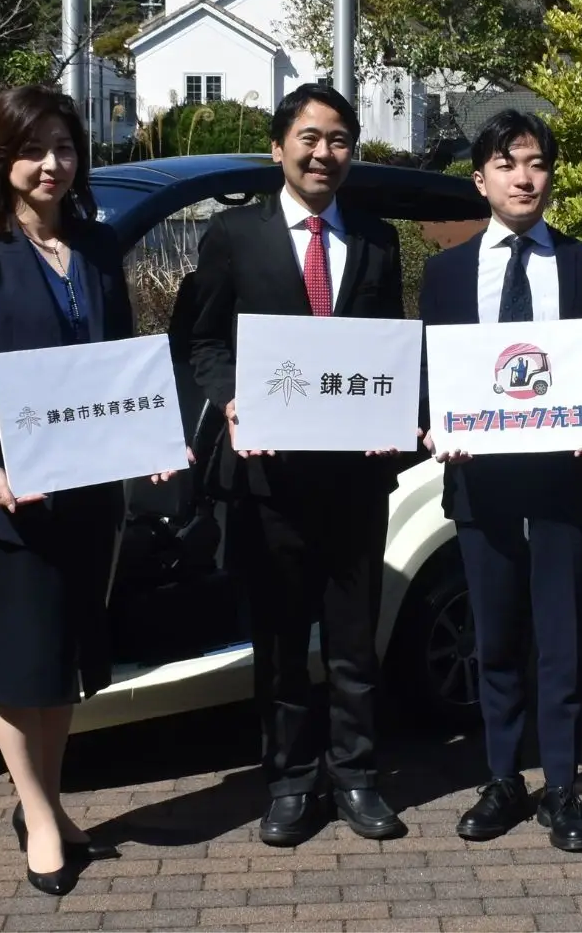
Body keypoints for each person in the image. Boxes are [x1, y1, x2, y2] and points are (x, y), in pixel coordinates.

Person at [182, 82, 410, 847]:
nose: (324, 154)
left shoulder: (377, 240)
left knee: (353, 639)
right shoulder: (233, 236)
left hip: (354, 478)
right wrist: (229, 399)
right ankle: (288, 781)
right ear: (278, 147)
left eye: (339, 139)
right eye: (309, 138)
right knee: (279, 642)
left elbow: (386, 349)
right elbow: (203, 340)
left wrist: (393, 414)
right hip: (268, 476)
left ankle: (358, 777)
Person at [0, 85, 133, 896]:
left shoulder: (98, 246)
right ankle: (39, 815)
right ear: (0, 159)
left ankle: (46, 802)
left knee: (63, 665)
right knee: (21, 669)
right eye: (32, 149)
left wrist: (147, 440)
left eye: (63, 147)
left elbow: (121, 365)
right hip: (13, 500)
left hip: (87, 494)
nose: (51, 164)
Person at [418, 110, 582, 853]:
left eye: (535, 163)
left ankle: (563, 785)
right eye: (507, 165)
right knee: (495, 632)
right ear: (481, 180)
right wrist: (431, 423)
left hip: (564, 475)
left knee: (562, 634)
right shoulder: (445, 274)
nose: (523, 178)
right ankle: (504, 777)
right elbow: (430, 373)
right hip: (482, 479)